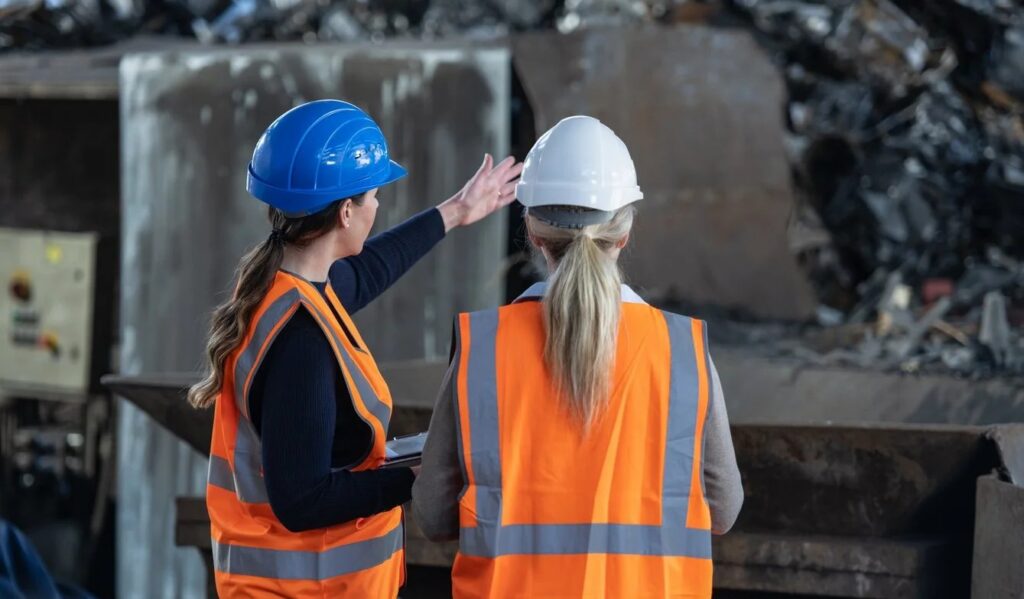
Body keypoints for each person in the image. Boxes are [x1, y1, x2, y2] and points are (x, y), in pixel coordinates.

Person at [186, 99, 523, 598]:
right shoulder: (299, 342)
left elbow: (365, 271)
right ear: (346, 211)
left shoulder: (280, 286)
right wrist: (422, 474)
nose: (378, 206)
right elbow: (302, 500)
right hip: (307, 589)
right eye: (373, 196)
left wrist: (456, 212)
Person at [412, 116, 743, 598]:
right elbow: (724, 508)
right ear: (623, 233)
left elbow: (435, 516)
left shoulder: (483, 348)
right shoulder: (681, 351)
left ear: (534, 232)